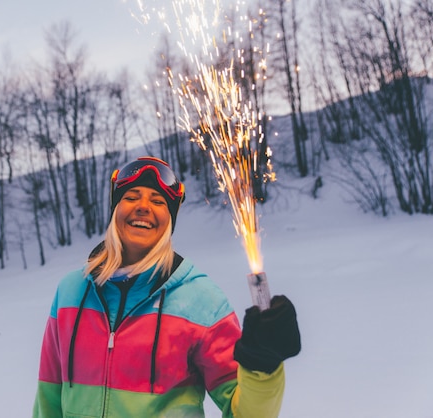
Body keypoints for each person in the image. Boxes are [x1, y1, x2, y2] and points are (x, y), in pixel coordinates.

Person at [33, 156, 301, 418]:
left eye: (158, 201)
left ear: (169, 220)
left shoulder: (201, 301)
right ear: (115, 209)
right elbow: (48, 401)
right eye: (131, 197)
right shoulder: (71, 292)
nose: (143, 207)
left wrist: (262, 366)